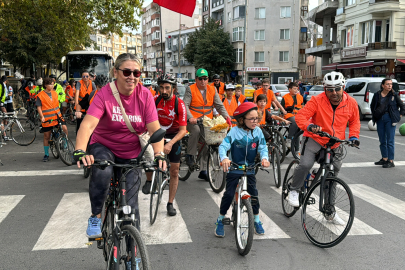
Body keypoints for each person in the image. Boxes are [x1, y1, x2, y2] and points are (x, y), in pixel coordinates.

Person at [72, 53, 166, 238]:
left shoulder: (145, 96)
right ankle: (96, 216)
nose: (132, 76)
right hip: (104, 146)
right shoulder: (104, 94)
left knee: (132, 206)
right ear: (116, 72)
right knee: (102, 170)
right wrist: (80, 151)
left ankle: (135, 257)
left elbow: (155, 129)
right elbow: (88, 124)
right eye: (127, 72)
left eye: (136, 73)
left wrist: (159, 154)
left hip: (131, 152)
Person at [287, 72, 360, 222]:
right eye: (330, 89)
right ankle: (293, 190)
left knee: (332, 176)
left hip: (336, 142)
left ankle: (329, 210)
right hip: (316, 138)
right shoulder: (316, 100)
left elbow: (354, 122)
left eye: (337, 89)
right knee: (305, 164)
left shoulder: (351, 103)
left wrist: (354, 137)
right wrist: (310, 126)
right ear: (325, 89)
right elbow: (301, 117)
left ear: (343, 87)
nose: (334, 93)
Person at [216, 102, 270, 237]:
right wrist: (224, 159)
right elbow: (223, 147)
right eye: (251, 119)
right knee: (228, 194)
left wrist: (264, 158)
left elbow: (263, 147)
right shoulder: (234, 131)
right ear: (241, 120)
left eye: (256, 118)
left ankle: (256, 220)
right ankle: (220, 220)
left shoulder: (258, 132)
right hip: (234, 167)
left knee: (254, 195)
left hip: (250, 168)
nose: (255, 121)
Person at [142, 74, 187, 216]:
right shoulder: (154, 100)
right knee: (147, 154)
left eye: (167, 88)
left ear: (173, 88)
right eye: (161, 88)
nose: (164, 91)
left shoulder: (179, 104)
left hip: (174, 136)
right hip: (157, 133)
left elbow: (183, 130)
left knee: (174, 171)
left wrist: (170, 144)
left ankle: (170, 203)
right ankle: (149, 180)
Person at [183, 68, 232, 181]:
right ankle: (190, 155)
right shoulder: (190, 89)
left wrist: (227, 117)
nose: (203, 81)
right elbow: (185, 105)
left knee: (207, 142)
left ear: (208, 79)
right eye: (200, 79)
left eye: (205, 79)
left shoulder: (212, 89)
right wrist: (191, 118)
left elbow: (219, 105)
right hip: (193, 120)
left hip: (207, 121)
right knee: (195, 131)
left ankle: (204, 170)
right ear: (196, 79)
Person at [371, 78, 405, 168]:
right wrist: (375, 115)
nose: (390, 86)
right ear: (383, 85)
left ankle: (391, 160)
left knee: (390, 141)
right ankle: (384, 158)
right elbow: (372, 105)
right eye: (387, 84)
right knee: (382, 140)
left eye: (391, 84)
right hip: (380, 119)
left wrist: (399, 116)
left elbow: (402, 106)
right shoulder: (377, 95)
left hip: (390, 119)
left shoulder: (394, 95)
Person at [36, 77, 69, 162]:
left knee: (65, 129)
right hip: (47, 118)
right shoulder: (40, 95)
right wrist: (42, 116)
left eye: (53, 83)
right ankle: (46, 154)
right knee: (47, 136)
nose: (52, 85)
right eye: (50, 84)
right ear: (46, 85)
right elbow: (39, 107)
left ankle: (64, 144)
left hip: (57, 116)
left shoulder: (55, 93)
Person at [281, 82, 304, 151]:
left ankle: (297, 150)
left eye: (297, 89)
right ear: (290, 89)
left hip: (298, 115)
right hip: (289, 115)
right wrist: (281, 117)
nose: (296, 90)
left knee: (298, 131)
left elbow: (303, 107)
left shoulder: (300, 97)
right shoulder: (285, 97)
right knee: (294, 121)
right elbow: (281, 108)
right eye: (294, 89)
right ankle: (289, 139)